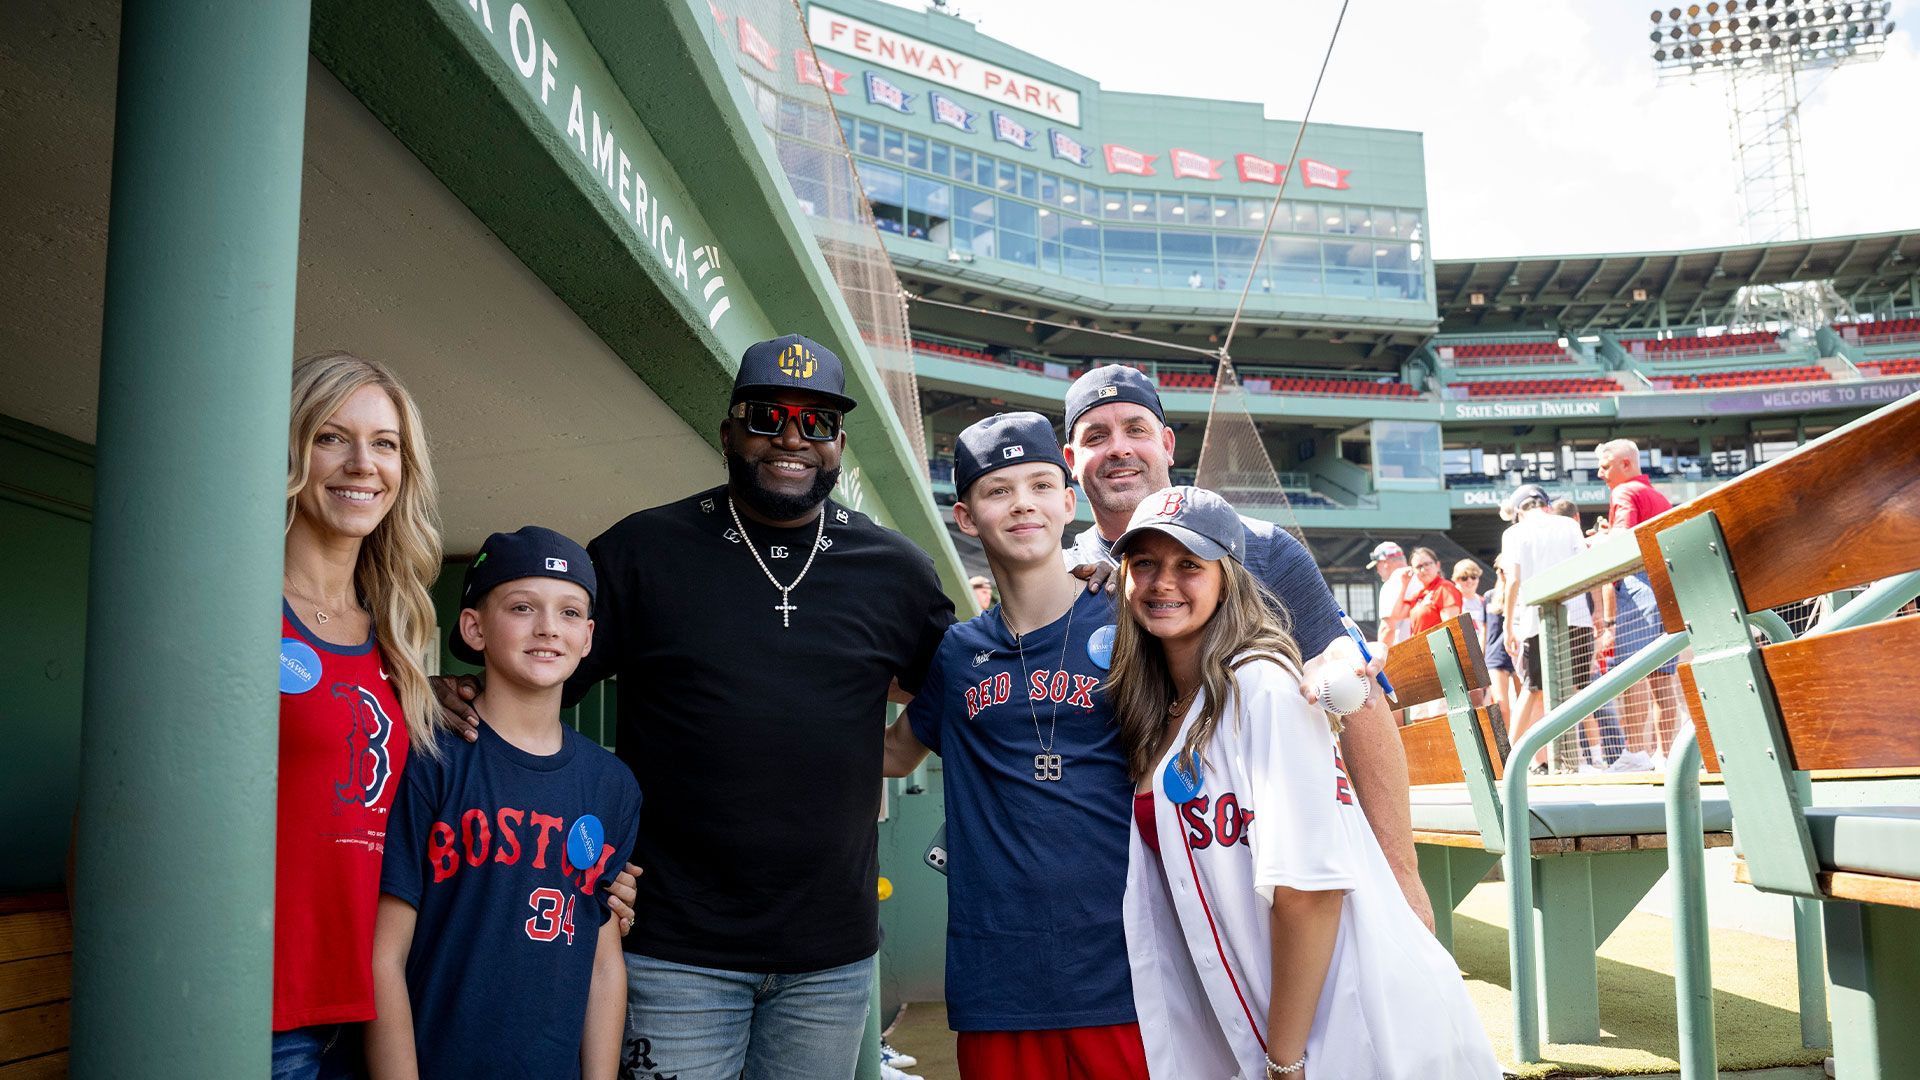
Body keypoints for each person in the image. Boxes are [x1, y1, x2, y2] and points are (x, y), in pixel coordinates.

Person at [440, 335, 954, 1080]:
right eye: (766, 416)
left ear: (839, 444)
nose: (790, 439)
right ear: (727, 431)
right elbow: (536, 701)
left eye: (816, 424)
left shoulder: (896, 570)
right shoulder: (643, 550)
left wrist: (901, 747)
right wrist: (440, 692)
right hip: (673, 949)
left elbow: (964, 683)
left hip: (829, 959)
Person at [1109, 487, 1500, 1080]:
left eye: (1190, 563)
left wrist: (1285, 1062)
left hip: (1348, 1022)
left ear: (1229, 579)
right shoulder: (1159, 703)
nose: (1164, 581)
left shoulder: (1266, 688)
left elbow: (1308, 894)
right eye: (1145, 564)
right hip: (1273, 1011)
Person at [1058, 364, 1431, 929]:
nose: (1119, 450)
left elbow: (1350, 686)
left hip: (1256, 830)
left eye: (1135, 429)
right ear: (1071, 459)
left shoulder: (1262, 548)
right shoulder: (1063, 579)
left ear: (1166, 443)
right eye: (1096, 436)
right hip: (1132, 863)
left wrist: (1401, 876)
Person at [882, 413, 1148, 1080]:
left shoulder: (1133, 622)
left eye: (1039, 484)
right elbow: (892, 755)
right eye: (998, 490)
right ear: (967, 517)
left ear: (1068, 500)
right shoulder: (959, 652)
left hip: (1123, 970)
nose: (1023, 503)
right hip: (997, 977)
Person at [369, 527, 641, 1080]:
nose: (548, 628)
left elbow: (603, 963)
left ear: (588, 637)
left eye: (569, 613)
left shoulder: (611, 784)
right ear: (473, 627)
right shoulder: (429, 758)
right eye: (522, 607)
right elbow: (382, 958)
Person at [273, 352, 444, 1079]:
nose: (362, 464)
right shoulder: (232, 604)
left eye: (385, 443)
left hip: (368, 1014)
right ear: (289, 450)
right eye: (330, 437)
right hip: (257, 1011)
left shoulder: (400, 638)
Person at [1595, 438, 1680, 768]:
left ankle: (1635, 753)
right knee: (1662, 679)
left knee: (1632, 677)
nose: (1601, 473)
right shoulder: (1657, 495)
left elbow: (1619, 541)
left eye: (1605, 466)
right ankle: (1667, 755)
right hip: (1664, 588)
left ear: (1625, 464)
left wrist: (1601, 537)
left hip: (1639, 588)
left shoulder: (1625, 491)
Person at [1500, 484, 1596, 769]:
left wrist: (1508, 624)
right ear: (1544, 503)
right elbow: (1586, 567)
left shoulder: (1513, 533)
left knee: (1532, 690)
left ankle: (1509, 762)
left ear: (1519, 511)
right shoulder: (1567, 524)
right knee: (1577, 688)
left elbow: (1513, 580)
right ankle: (1581, 760)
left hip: (1536, 620)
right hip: (1577, 614)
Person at [1483, 557, 1518, 731]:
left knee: (1524, 703)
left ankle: (1531, 753)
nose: (1500, 573)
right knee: (1501, 705)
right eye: (1497, 569)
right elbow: (1485, 631)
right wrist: (1481, 660)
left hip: (1518, 651)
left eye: (1504, 569)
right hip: (1495, 656)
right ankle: (1507, 751)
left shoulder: (1521, 592)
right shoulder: (1489, 596)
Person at [1405, 546, 1464, 636]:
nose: (1423, 570)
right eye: (1418, 566)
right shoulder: (1418, 595)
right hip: (1419, 647)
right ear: (1413, 571)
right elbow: (1393, 617)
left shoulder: (1445, 588)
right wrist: (1404, 582)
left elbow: (1451, 629)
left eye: (1427, 564)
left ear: (1437, 565)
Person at [1367, 541, 1415, 647]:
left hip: (1408, 652)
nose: (1377, 571)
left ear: (1384, 563)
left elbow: (1387, 628)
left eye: (1377, 566)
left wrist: (1382, 659)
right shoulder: (1422, 576)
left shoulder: (1392, 583)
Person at [1452, 559, 1486, 644]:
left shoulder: (1484, 602)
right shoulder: (1452, 604)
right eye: (1464, 578)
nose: (1470, 581)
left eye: (1473, 577)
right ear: (1456, 580)